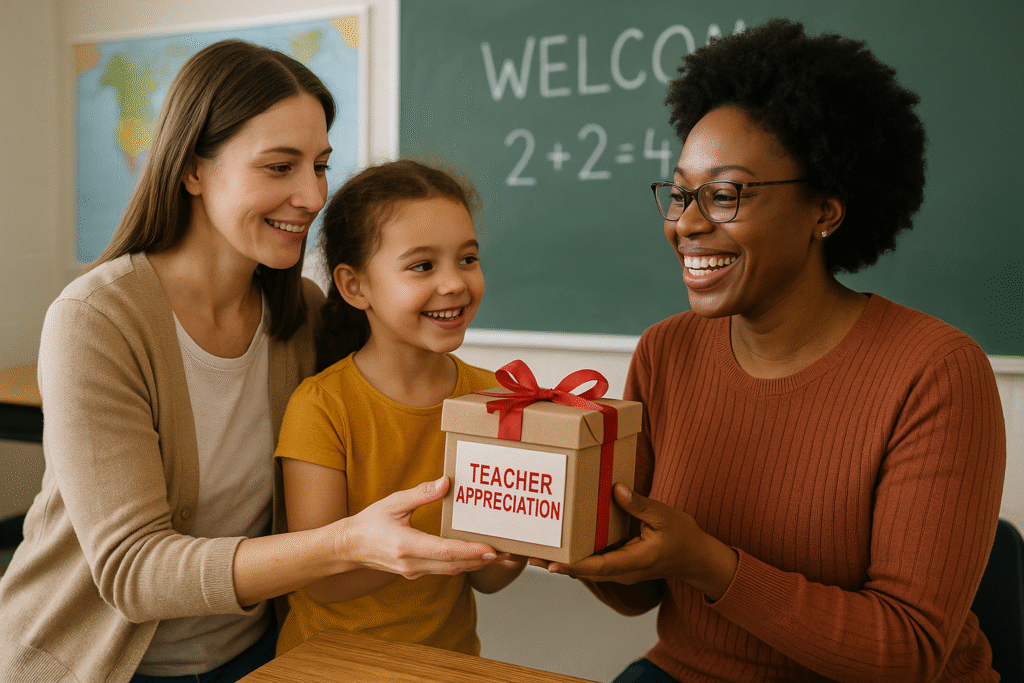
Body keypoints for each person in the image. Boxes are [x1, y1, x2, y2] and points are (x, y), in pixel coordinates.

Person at [0, 41, 503, 683]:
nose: (312, 196)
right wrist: (348, 544)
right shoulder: (96, 319)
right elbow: (133, 572)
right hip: (97, 666)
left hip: (256, 654)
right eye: (280, 167)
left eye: (319, 166)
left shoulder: (303, 312)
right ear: (193, 170)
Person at [537, 19, 1007, 683]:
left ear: (825, 211)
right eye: (681, 193)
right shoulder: (666, 351)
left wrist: (710, 563)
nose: (686, 223)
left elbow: (907, 650)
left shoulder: (935, 371)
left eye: (725, 194)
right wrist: (557, 527)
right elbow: (641, 590)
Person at [273, 159, 526, 656]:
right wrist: (423, 549)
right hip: (328, 664)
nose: (454, 284)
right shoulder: (321, 407)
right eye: (422, 266)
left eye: (467, 259)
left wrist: (524, 540)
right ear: (355, 286)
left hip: (448, 662)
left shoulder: (496, 397)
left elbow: (488, 579)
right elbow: (319, 580)